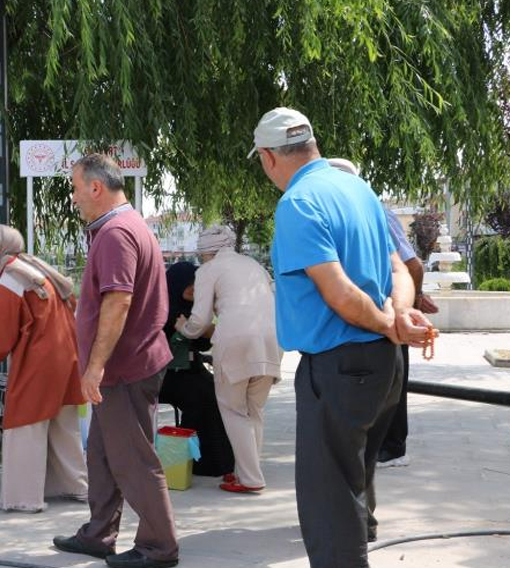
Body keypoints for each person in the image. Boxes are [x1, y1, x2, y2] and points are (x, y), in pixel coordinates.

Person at [251, 107, 432, 567]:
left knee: (328, 501)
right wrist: (400, 313)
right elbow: (400, 268)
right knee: (351, 487)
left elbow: (339, 293)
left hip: (337, 363)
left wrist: (388, 321)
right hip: (383, 365)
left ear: (269, 158)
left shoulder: (298, 202)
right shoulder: (359, 189)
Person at [51, 154, 179, 568]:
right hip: (125, 365)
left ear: (95, 187)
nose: (73, 198)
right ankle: (98, 534)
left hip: (124, 368)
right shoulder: (124, 226)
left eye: (74, 188)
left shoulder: (116, 233)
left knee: (133, 459)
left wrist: (95, 365)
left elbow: (119, 300)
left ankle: (159, 547)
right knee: (103, 456)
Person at [328, 158, 439, 469]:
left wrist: (409, 307)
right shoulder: (349, 214)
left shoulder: (374, 213)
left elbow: (411, 265)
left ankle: (393, 447)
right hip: (378, 315)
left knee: (394, 383)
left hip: (392, 312)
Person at [0, 225, 88, 513]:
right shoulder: (36, 269)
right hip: (67, 356)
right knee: (64, 426)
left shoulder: (9, 281)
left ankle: (23, 497)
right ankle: (76, 486)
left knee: (24, 426)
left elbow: (4, 335)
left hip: (38, 361)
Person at [177, 226, 282, 493]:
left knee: (233, 410)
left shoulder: (208, 271)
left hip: (236, 341)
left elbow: (200, 319)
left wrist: (183, 328)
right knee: (254, 411)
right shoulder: (254, 265)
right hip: (271, 340)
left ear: (206, 252)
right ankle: (247, 473)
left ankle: (250, 479)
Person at [158, 262, 235, 478]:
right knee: (201, 397)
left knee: (219, 393)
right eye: (189, 284)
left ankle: (219, 461)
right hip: (167, 375)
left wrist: (197, 328)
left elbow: (204, 342)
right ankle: (192, 460)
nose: (194, 288)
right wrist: (198, 329)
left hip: (192, 369)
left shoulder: (195, 311)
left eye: (196, 284)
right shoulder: (162, 311)